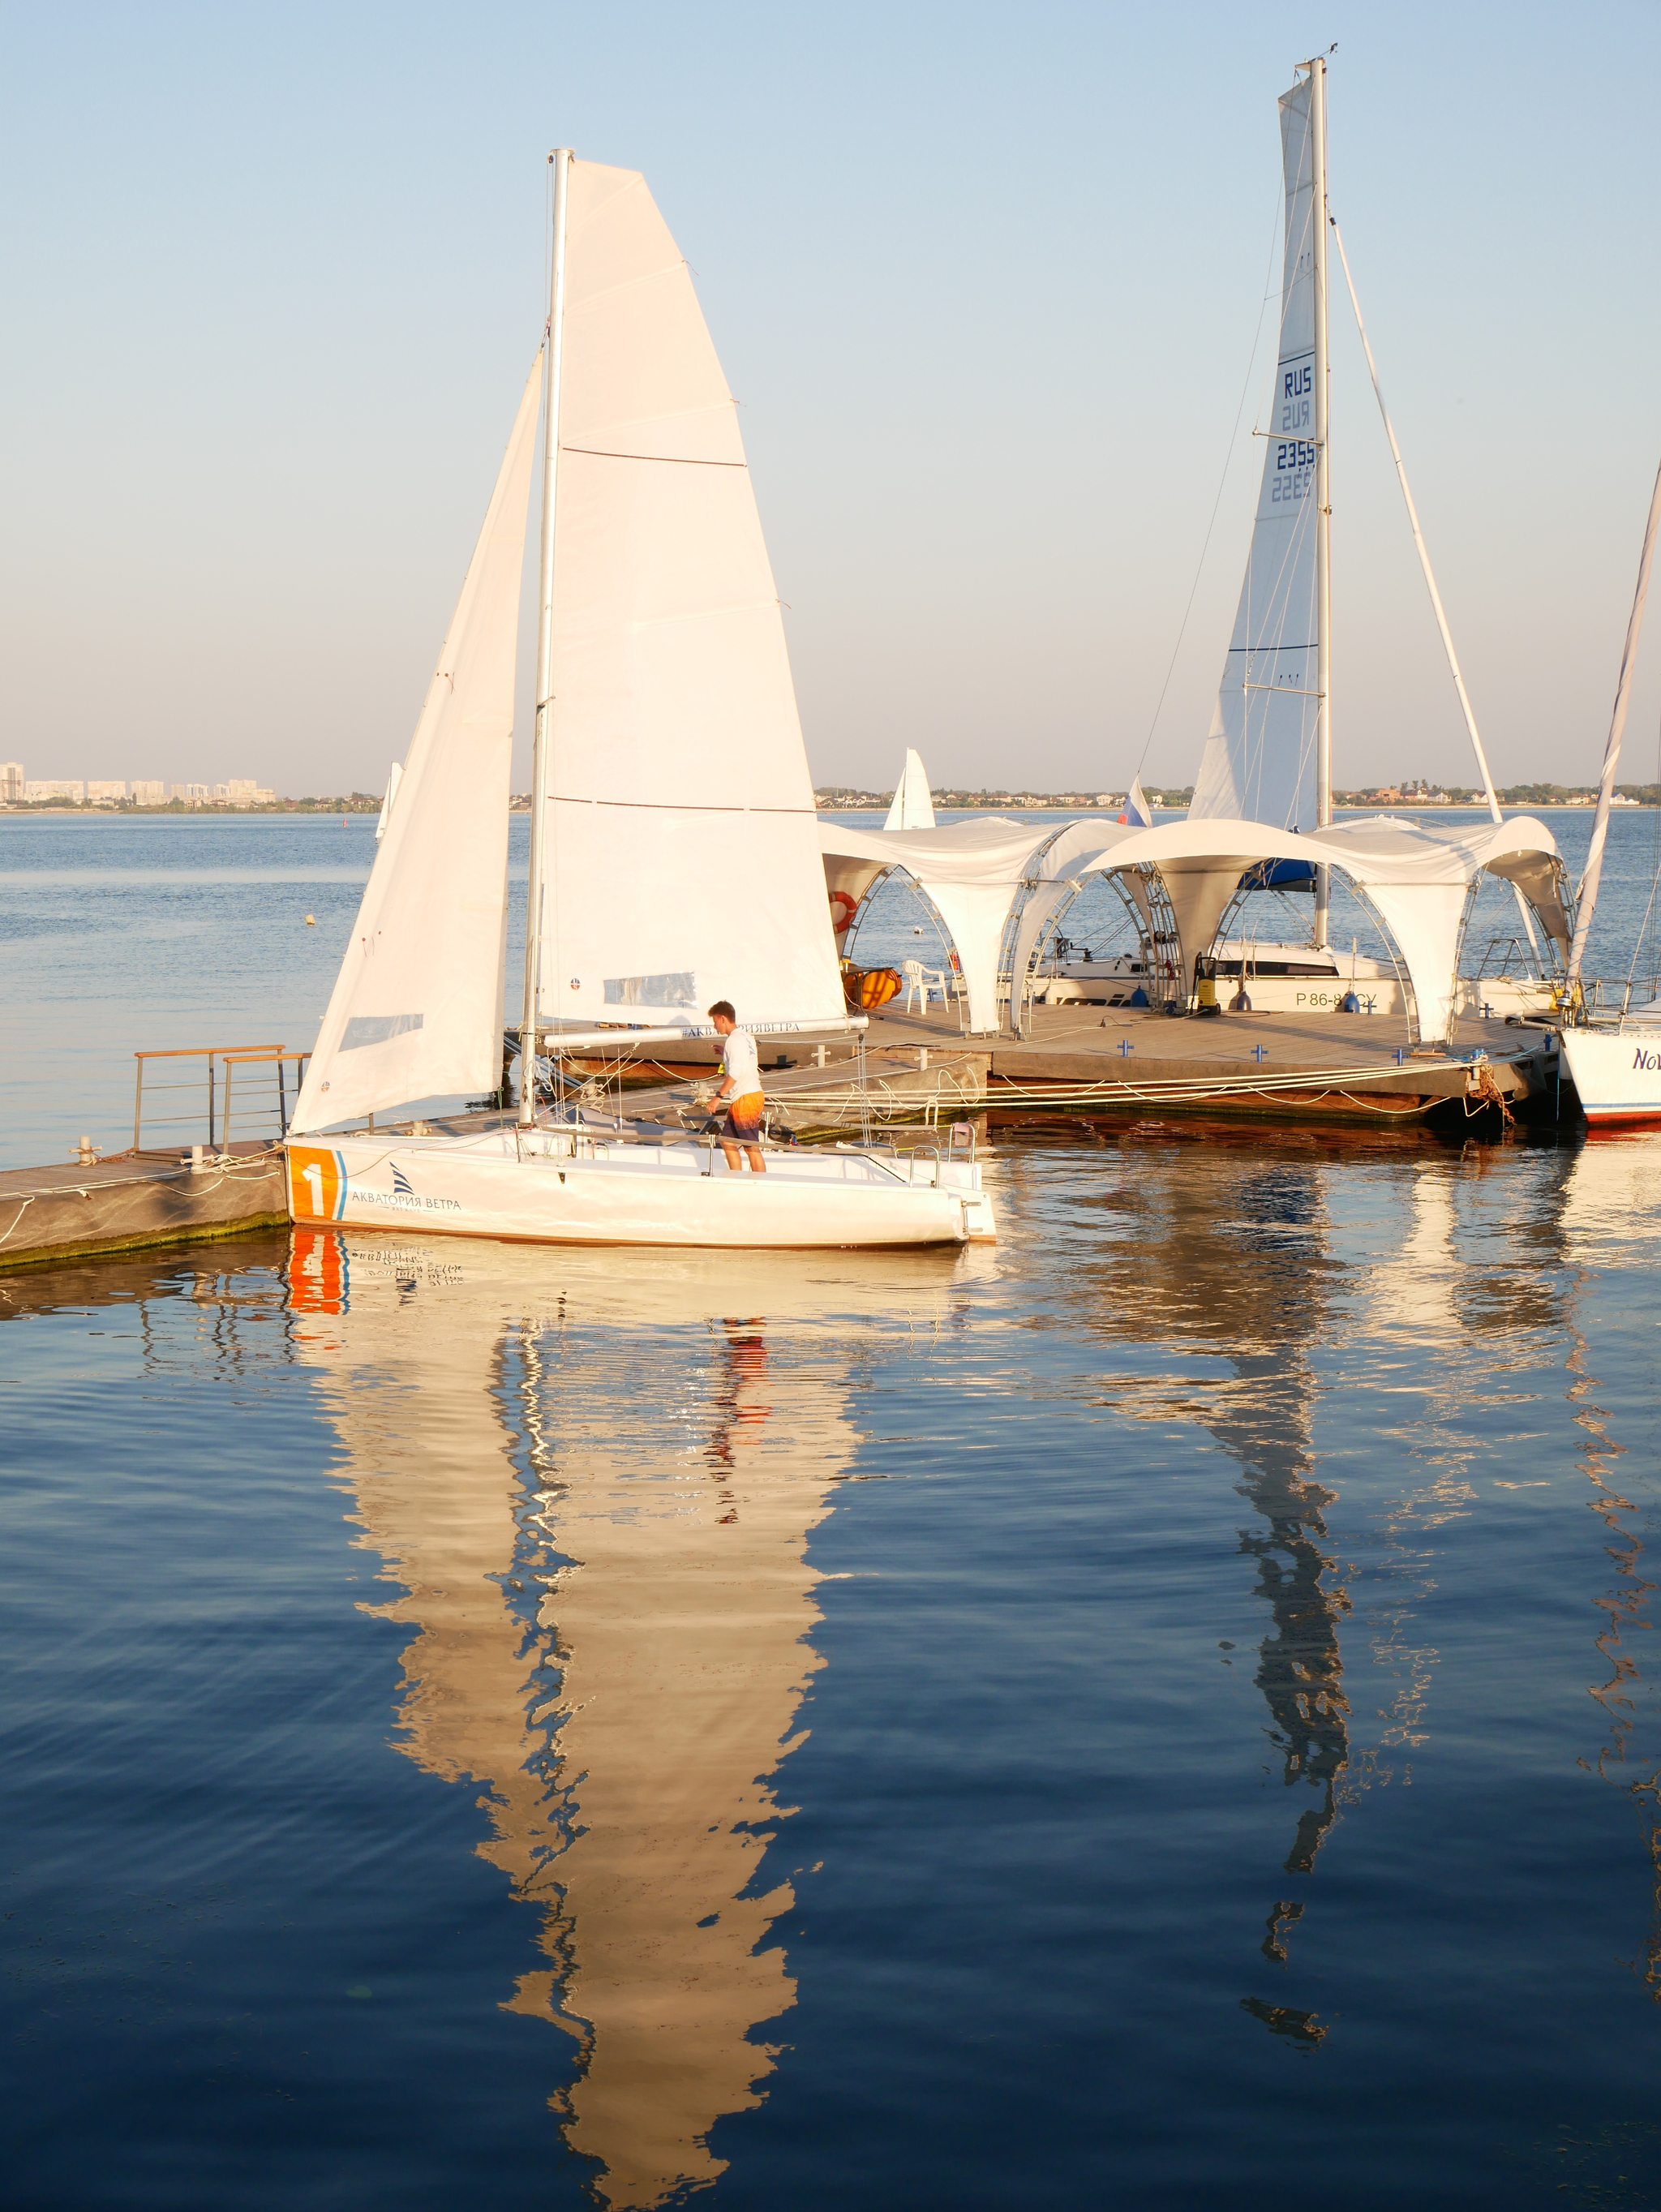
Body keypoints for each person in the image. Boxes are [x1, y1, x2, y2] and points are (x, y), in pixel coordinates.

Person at [706, 1000, 766, 1173]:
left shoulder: (734, 1040)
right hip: (747, 1096)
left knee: (750, 1147)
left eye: (715, 1021)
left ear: (723, 1018)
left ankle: (760, 1184)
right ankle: (736, 1178)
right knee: (726, 1140)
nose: (714, 1026)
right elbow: (743, 1059)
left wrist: (718, 1097)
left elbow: (736, 1072)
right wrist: (725, 1052)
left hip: (745, 1098)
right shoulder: (745, 1037)